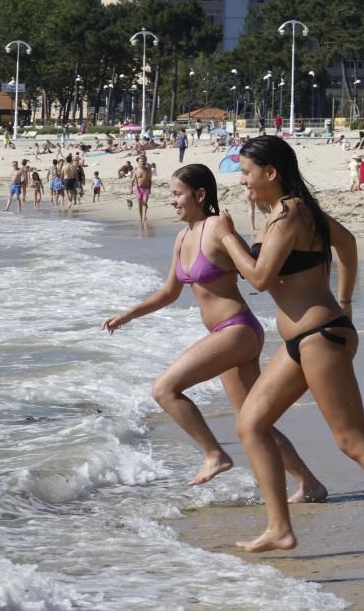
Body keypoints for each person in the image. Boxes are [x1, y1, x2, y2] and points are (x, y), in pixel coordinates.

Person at [210, 136, 364, 555]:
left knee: (352, 440)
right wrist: (346, 299)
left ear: (271, 172)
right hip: (304, 340)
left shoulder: (291, 214)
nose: (242, 180)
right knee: (251, 423)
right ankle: (279, 528)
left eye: (246, 172)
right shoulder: (289, 213)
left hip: (321, 338)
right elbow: (348, 243)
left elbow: (262, 279)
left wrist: (229, 238)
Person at [103, 164, 327, 499]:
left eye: (178, 194)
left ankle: (214, 454)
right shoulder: (181, 237)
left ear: (200, 194)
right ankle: (310, 483)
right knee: (252, 422)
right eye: (171, 194)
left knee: (165, 389)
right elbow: (169, 292)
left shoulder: (218, 228)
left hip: (237, 330)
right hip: (228, 335)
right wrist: (128, 314)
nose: (172, 201)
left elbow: (258, 269)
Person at [131, 155, 152, 222]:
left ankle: (144, 215)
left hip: (146, 188)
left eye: (144, 161)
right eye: (141, 161)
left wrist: (150, 188)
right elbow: (132, 180)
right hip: (138, 189)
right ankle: (141, 218)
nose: (142, 162)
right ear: (138, 162)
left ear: (146, 162)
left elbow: (150, 180)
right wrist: (131, 189)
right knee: (139, 204)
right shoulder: (136, 170)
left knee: (145, 202)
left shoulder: (148, 171)